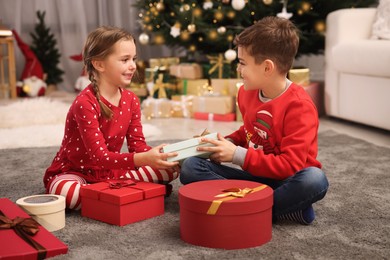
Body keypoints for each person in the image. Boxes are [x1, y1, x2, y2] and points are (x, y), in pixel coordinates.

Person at [180, 16, 329, 225]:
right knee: (191, 166)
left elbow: (289, 165)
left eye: (242, 63)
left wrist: (236, 155)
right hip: (256, 179)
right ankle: (275, 208)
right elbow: (249, 131)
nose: (238, 70)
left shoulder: (299, 106)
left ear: (267, 68)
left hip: (287, 180)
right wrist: (226, 144)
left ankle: (247, 208)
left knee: (314, 180)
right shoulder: (246, 93)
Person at [44, 26, 179, 210]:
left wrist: (161, 156)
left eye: (134, 59)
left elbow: (137, 146)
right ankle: (119, 192)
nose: (133, 65)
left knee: (169, 169)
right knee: (67, 192)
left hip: (113, 171)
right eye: (125, 60)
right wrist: (144, 159)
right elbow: (99, 157)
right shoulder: (85, 103)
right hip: (77, 171)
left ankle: (106, 194)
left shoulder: (131, 100)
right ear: (99, 64)